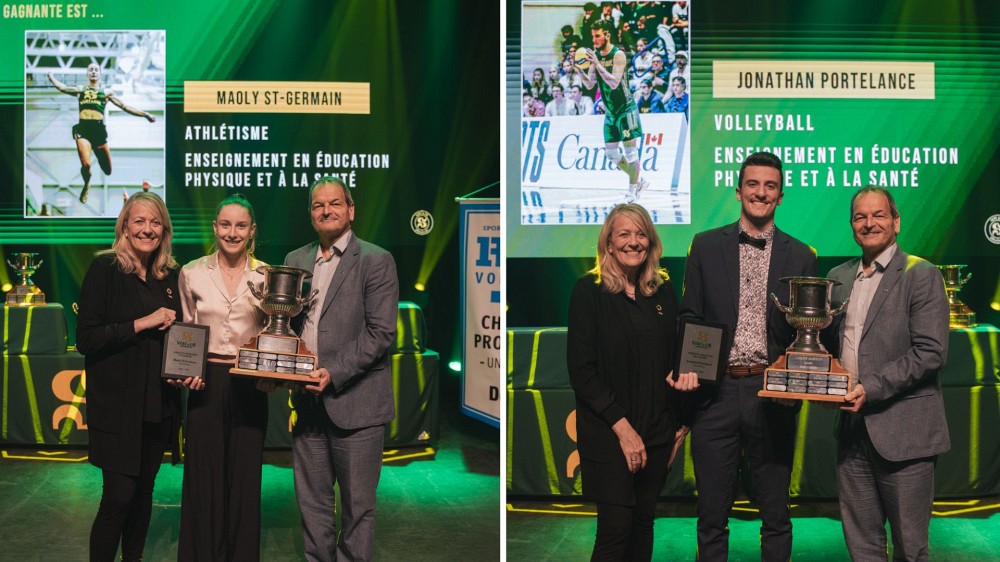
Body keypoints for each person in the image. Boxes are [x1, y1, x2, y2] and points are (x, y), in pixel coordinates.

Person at [679, 151, 817, 561]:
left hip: (772, 392)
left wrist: (796, 384)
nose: (761, 192)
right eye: (753, 184)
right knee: (711, 515)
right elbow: (690, 314)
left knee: (776, 514)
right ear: (739, 191)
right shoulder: (704, 246)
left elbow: (805, 333)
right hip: (715, 395)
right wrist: (691, 368)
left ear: (781, 196)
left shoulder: (802, 255)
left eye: (770, 186)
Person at [568, 203, 700, 561]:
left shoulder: (663, 291)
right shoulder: (588, 291)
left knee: (643, 524)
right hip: (609, 431)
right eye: (624, 234)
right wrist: (624, 430)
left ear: (651, 243)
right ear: (609, 243)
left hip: (657, 431)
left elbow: (676, 361)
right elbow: (582, 371)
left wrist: (680, 425)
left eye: (641, 234)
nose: (633, 242)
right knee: (616, 529)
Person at [824, 186, 950, 561]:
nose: (869, 223)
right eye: (860, 217)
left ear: (896, 221)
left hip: (905, 433)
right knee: (862, 546)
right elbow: (827, 347)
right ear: (851, 226)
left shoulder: (921, 274)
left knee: (910, 548)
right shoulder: (837, 277)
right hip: (851, 433)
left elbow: (930, 353)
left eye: (878, 215)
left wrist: (870, 388)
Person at [284, 176, 399, 561]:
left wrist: (332, 372)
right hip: (307, 404)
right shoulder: (295, 261)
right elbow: (285, 327)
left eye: (335, 203)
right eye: (318, 205)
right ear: (311, 214)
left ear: (351, 210)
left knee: (357, 512)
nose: (326, 210)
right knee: (313, 508)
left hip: (357, 406)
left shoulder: (375, 260)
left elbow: (380, 334)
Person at [76, 192, 190, 561]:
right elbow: (86, 339)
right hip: (118, 407)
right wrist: (142, 323)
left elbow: (182, 338)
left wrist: (183, 371)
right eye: (139, 221)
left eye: (155, 222)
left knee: (144, 494)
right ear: (124, 226)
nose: (147, 229)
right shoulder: (105, 269)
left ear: (165, 230)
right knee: (119, 495)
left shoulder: (171, 276)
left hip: (158, 405)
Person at [175, 194, 271, 561]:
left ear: (252, 232)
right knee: (204, 476)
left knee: (245, 478)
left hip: (249, 381)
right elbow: (186, 330)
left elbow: (270, 334)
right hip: (206, 382)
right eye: (226, 225)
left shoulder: (267, 275)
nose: (233, 233)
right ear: (215, 228)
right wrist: (188, 373)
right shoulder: (191, 272)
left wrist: (268, 375)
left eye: (241, 226)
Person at [47, 63, 156, 204]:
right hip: (83, 129)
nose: (93, 72)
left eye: (96, 70)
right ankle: (87, 184)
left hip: (98, 131)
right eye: (90, 70)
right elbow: (62, 88)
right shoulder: (81, 90)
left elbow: (125, 107)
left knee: (107, 170)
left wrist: (145, 114)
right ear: (87, 74)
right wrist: (51, 78)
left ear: (100, 74)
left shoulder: (106, 93)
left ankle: (98, 155)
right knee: (86, 164)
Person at [581, 19, 649, 203]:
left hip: (626, 109)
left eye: (597, 36)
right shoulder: (595, 55)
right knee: (611, 153)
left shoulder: (618, 55)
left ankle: (632, 192)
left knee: (631, 153)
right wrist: (579, 69)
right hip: (611, 112)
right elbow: (590, 84)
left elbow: (614, 82)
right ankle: (638, 179)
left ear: (607, 35)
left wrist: (597, 63)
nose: (594, 40)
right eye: (593, 36)